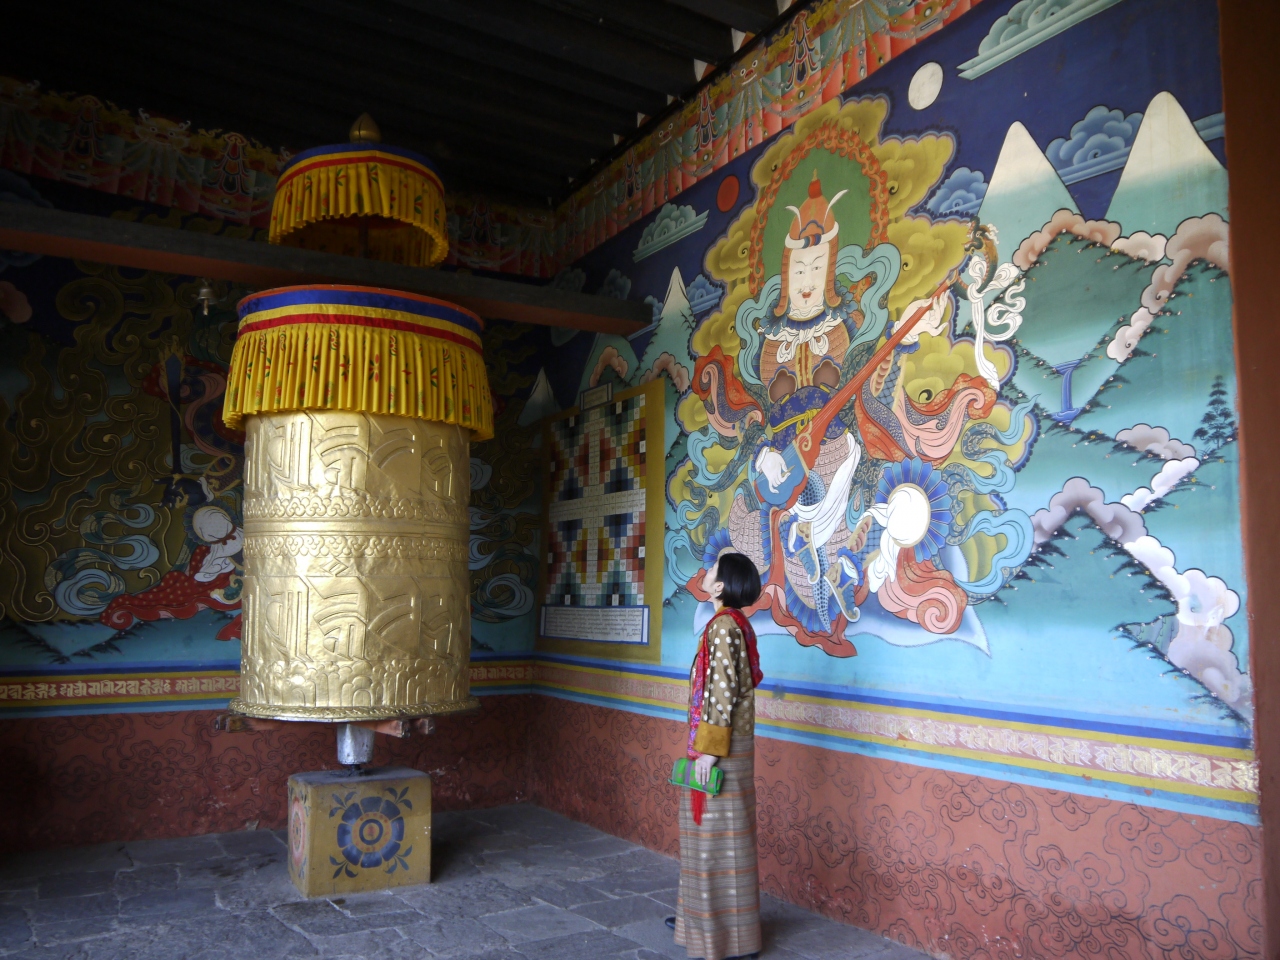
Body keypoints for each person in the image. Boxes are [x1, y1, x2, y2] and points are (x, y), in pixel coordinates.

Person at [669, 551, 765, 960]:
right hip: (725, 741)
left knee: (714, 839)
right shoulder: (732, 623)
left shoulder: (724, 626)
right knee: (714, 837)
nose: (705, 573)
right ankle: (700, 921)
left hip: (719, 746)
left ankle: (724, 937)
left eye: (711, 571)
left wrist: (708, 753)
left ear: (721, 586)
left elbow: (721, 691)